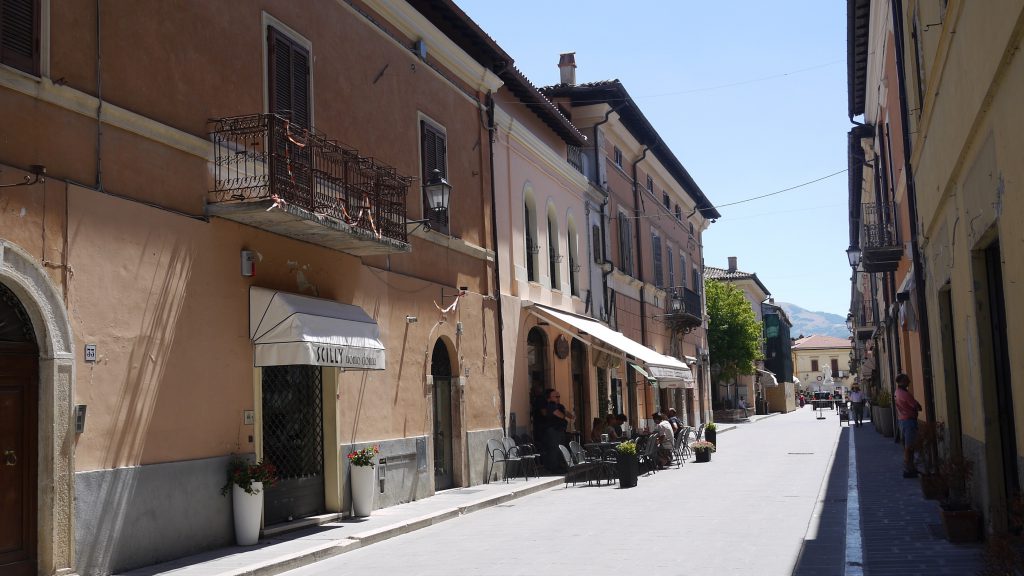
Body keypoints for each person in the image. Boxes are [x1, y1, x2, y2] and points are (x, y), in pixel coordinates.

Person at [895, 373, 923, 478]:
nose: (909, 381)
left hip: (902, 420)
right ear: (902, 381)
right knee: (909, 446)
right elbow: (917, 406)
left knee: (907, 446)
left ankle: (910, 468)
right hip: (909, 421)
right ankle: (908, 469)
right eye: (907, 380)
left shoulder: (897, 392)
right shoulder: (905, 394)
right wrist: (917, 406)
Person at [541, 388, 573, 472]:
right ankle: (553, 468)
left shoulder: (560, 406)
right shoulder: (550, 406)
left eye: (559, 396)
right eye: (556, 396)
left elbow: (567, 413)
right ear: (549, 398)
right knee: (554, 449)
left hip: (560, 430)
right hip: (553, 431)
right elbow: (561, 415)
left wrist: (570, 415)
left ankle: (560, 466)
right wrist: (565, 414)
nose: (558, 398)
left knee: (560, 449)